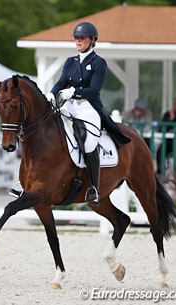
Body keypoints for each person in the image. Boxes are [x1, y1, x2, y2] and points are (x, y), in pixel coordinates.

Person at [46, 22, 131, 205]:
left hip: (88, 107)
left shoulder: (99, 62)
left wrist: (73, 92)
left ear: (92, 40)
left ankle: (93, 187)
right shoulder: (70, 61)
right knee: (51, 129)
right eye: (76, 38)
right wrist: (52, 93)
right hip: (69, 106)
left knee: (88, 140)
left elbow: (94, 90)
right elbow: (61, 83)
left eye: (82, 38)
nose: (78, 41)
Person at [156, 94, 176, 174]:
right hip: (169, 141)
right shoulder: (168, 114)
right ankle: (160, 172)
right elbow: (161, 128)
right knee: (160, 151)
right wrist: (171, 119)